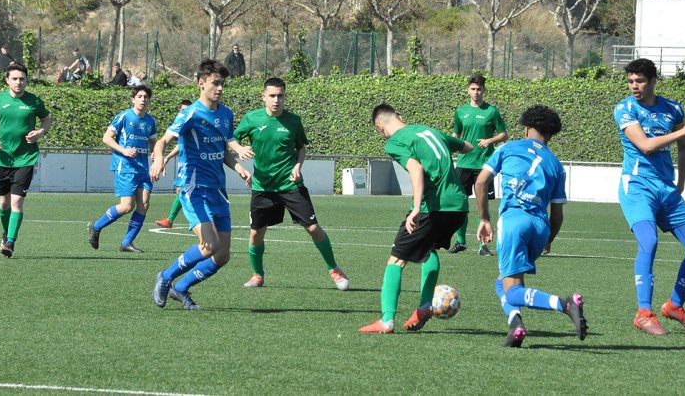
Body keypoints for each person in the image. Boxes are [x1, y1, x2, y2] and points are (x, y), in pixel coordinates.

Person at [475, 105, 587, 347]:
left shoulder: (509, 148)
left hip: (514, 220)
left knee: (513, 290)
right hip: (540, 226)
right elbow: (557, 213)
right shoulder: (556, 165)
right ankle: (516, 325)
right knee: (502, 281)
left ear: (526, 128)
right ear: (550, 134)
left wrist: (484, 219)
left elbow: (481, 182)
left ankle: (565, 304)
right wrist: (549, 239)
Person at [360, 103, 473, 333]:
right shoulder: (430, 131)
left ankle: (387, 320)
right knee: (429, 250)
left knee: (396, 260)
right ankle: (424, 307)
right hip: (458, 206)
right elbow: (468, 147)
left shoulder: (394, 141)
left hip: (432, 206)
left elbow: (416, 168)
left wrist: (416, 208)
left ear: (380, 127)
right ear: (400, 115)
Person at [614, 58, 685, 336]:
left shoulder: (673, 109)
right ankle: (644, 312)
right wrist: (683, 130)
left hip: (666, 189)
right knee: (649, 241)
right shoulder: (625, 108)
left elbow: (684, 148)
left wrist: (681, 182)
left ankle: (674, 306)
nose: (634, 86)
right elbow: (645, 145)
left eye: (639, 81)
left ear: (653, 81)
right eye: (630, 81)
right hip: (638, 187)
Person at [150, 60, 252, 311]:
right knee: (209, 245)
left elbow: (224, 147)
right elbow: (163, 140)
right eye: (215, 83)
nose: (220, 88)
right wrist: (159, 158)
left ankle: (181, 287)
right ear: (201, 83)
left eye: (222, 84)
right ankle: (165, 276)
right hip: (193, 188)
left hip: (217, 189)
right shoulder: (190, 114)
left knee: (222, 255)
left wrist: (237, 165)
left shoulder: (226, 114)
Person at [233, 77, 349, 290]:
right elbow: (230, 138)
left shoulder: (293, 121)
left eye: (280, 95)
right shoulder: (252, 119)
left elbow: (301, 148)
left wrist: (297, 167)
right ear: (263, 97)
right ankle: (257, 275)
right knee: (256, 233)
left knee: (313, 228)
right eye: (272, 96)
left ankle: (334, 269)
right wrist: (239, 149)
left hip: (290, 185)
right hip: (262, 187)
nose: (277, 100)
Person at [0, 62, 52, 258]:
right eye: (15, 78)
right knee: (3, 204)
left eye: (22, 79)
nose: (19, 82)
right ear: (7, 80)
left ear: (27, 80)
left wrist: (39, 133)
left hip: (26, 158)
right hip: (3, 158)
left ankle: (11, 241)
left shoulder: (34, 101)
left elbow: (46, 119)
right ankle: (6, 234)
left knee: (17, 203)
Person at [87, 85, 158, 253]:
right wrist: (124, 150)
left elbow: (153, 142)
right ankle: (96, 226)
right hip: (125, 167)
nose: (143, 99)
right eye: (139, 96)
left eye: (146, 97)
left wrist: (156, 154)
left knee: (144, 204)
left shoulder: (151, 121)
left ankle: (127, 243)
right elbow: (106, 138)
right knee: (127, 206)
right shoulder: (124, 117)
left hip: (142, 168)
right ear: (133, 99)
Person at [447, 74, 508, 256]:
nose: (476, 92)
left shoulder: (492, 111)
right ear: (468, 90)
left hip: (484, 166)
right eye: (473, 89)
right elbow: (455, 135)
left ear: (484, 90)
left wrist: (490, 140)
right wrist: (450, 149)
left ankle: (483, 246)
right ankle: (461, 242)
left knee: (483, 207)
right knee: (459, 203)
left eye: (479, 89)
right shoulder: (461, 111)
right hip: (464, 164)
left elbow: (504, 134)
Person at [153, 99, 193, 229]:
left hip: (191, 162)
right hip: (183, 162)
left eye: (187, 110)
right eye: (182, 110)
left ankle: (173, 219)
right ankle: (172, 219)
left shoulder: (193, 125)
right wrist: (168, 157)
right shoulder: (180, 125)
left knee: (183, 190)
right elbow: (179, 145)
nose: (184, 112)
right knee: (181, 191)